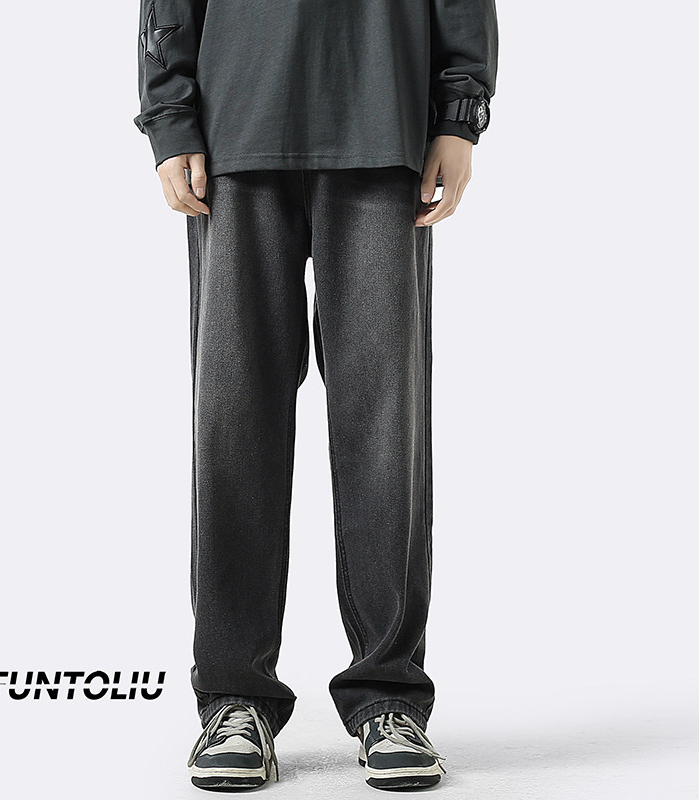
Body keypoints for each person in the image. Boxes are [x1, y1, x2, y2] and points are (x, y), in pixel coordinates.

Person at [134, 0, 498, 790]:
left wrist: (460, 113)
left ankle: (388, 694)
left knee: (386, 425)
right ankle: (234, 696)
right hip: (235, 131)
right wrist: (170, 116)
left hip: (384, 121)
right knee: (235, 424)